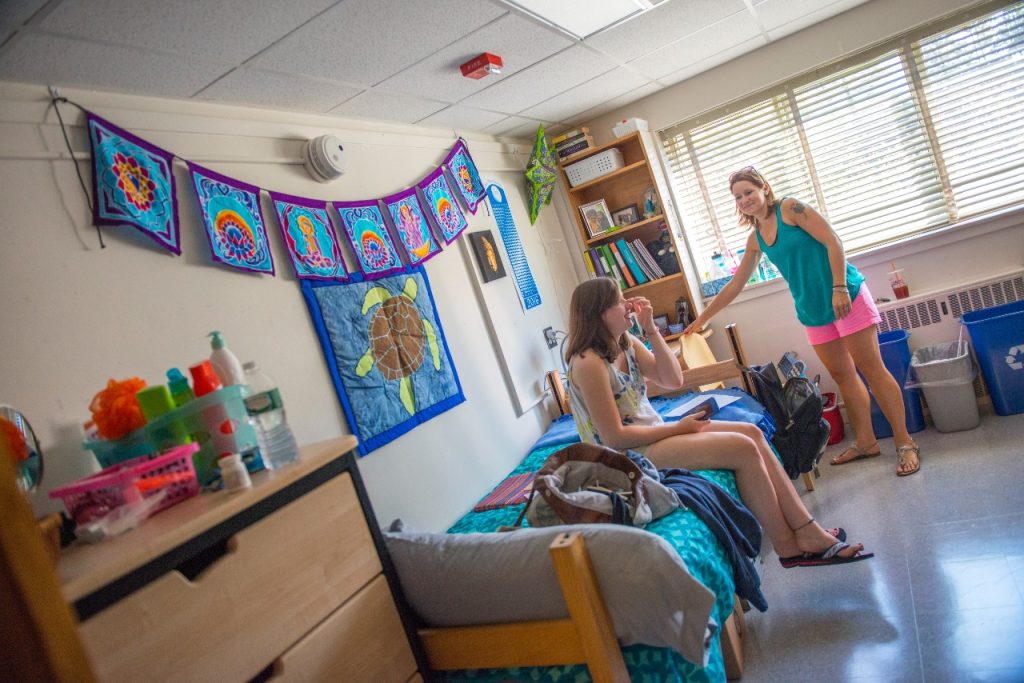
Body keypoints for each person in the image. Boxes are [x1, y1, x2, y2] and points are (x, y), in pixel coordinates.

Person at [565, 277, 872, 567]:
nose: (630, 304)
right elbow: (614, 436)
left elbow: (673, 379)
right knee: (741, 448)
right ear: (600, 313)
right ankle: (787, 544)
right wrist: (680, 427)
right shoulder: (588, 363)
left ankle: (806, 528)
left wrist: (651, 330)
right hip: (624, 457)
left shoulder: (625, 343)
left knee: (752, 433)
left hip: (652, 435)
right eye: (620, 301)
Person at [684, 166, 920, 477]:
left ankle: (905, 444)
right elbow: (735, 285)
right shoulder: (756, 239)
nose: (744, 199)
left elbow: (833, 241)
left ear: (764, 189)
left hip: (844, 295)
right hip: (812, 310)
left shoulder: (790, 209)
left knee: (872, 369)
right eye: (738, 197)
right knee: (843, 375)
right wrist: (699, 319)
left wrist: (838, 288)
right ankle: (866, 442)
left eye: (748, 192)